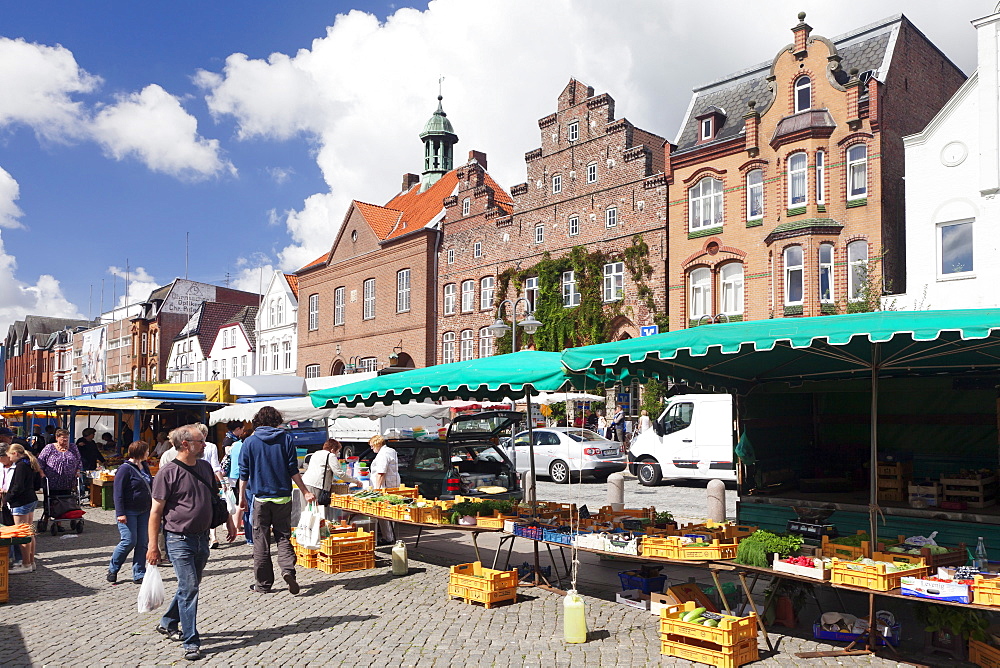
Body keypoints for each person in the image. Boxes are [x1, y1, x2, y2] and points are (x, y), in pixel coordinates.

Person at [147, 425, 236, 662]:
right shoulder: (167, 473)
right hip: (178, 539)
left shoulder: (205, 467)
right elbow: (156, 512)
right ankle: (190, 641)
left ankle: (167, 622)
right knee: (190, 588)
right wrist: (152, 546)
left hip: (201, 538)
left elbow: (216, 498)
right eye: (200, 441)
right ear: (185, 444)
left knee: (190, 585)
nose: (205, 445)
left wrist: (229, 521)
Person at [238, 406, 314, 595]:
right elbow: (292, 469)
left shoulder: (250, 442)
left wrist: (241, 498)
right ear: (276, 420)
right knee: (283, 537)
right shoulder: (285, 438)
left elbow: (243, 473)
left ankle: (263, 585)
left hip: (261, 499)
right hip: (283, 498)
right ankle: (288, 570)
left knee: (261, 541)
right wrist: (304, 491)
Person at [107, 441, 153, 585]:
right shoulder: (125, 469)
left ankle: (139, 573)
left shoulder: (144, 466)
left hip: (144, 510)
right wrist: (120, 513)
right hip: (129, 511)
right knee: (129, 540)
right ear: (140, 452)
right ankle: (113, 568)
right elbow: (118, 493)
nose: (148, 453)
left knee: (142, 542)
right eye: (146, 451)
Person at [4, 443, 42, 573]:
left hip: (21, 502)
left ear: (15, 453)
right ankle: (31, 562)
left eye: (9, 456)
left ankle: (26, 564)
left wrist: (7, 498)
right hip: (31, 499)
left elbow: (18, 486)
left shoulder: (20, 466)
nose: (9, 459)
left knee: (22, 534)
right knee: (29, 532)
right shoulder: (30, 463)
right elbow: (37, 483)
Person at [302, 439, 360, 520]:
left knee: (307, 512)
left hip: (305, 484)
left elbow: (323, 469)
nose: (338, 453)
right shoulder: (330, 455)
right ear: (332, 449)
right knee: (316, 514)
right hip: (316, 486)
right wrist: (355, 481)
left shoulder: (316, 453)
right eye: (338, 451)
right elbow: (340, 473)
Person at [193, 424, 225, 549]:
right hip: (208, 481)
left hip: (194, 481)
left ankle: (202, 535)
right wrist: (222, 482)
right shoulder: (211, 447)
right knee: (210, 507)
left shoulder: (191, 447)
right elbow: (216, 466)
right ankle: (213, 536)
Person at [368, 434, 400, 545]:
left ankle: (388, 537)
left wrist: (377, 489)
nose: (371, 448)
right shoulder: (391, 451)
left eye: (372, 446)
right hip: (393, 484)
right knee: (391, 511)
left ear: (377, 444)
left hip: (385, 486)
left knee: (383, 512)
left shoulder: (382, 454)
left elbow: (381, 473)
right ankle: (390, 535)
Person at [38, 429, 82, 496]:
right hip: (51, 482)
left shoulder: (73, 447)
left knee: (66, 501)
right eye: (63, 437)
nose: (65, 439)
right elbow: (40, 462)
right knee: (52, 502)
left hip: (68, 482)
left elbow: (79, 461)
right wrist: (42, 473)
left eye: (67, 437)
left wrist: (78, 472)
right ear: (57, 438)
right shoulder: (49, 447)